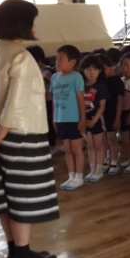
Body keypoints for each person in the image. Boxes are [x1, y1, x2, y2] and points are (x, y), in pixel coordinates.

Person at [0, 0, 59, 258]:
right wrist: (0, 134)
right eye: (32, 21)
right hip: (21, 135)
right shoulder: (20, 56)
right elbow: (17, 102)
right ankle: (22, 253)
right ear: (22, 23)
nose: (34, 26)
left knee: (4, 195)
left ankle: (14, 251)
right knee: (23, 196)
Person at [50, 44, 86, 190]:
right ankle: (71, 176)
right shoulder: (54, 77)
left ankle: (79, 176)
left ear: (72, 62)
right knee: (68, 150)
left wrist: (82, 119)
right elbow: (54, 99)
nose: (57, 62)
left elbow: (80, 100)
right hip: (61, 119)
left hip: (73, 119)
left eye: (61, 59)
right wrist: (54, 118)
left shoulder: (76, 77)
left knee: (76, 149)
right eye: (56, 59)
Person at [80, 55, 109, 183]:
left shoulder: (100, 87)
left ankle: (99, 169)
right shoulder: (81, 85)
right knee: (90, 145)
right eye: (88, 69)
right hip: (85, 119)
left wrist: (94, 120)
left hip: (97, 119)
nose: (91, 73)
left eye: (94, 69)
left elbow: (102, 107)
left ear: (100, 71)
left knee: (98, 145)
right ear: (83, 70)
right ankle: (92, 169)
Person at [98, 55, 124, 176]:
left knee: (112, 139)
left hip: (112, 113)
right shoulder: (103, 80)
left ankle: (114, 161)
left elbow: (120, 100)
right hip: (103, 114)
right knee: (104, 139)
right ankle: (107, 158)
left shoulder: (117, 81)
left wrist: (117, 117)